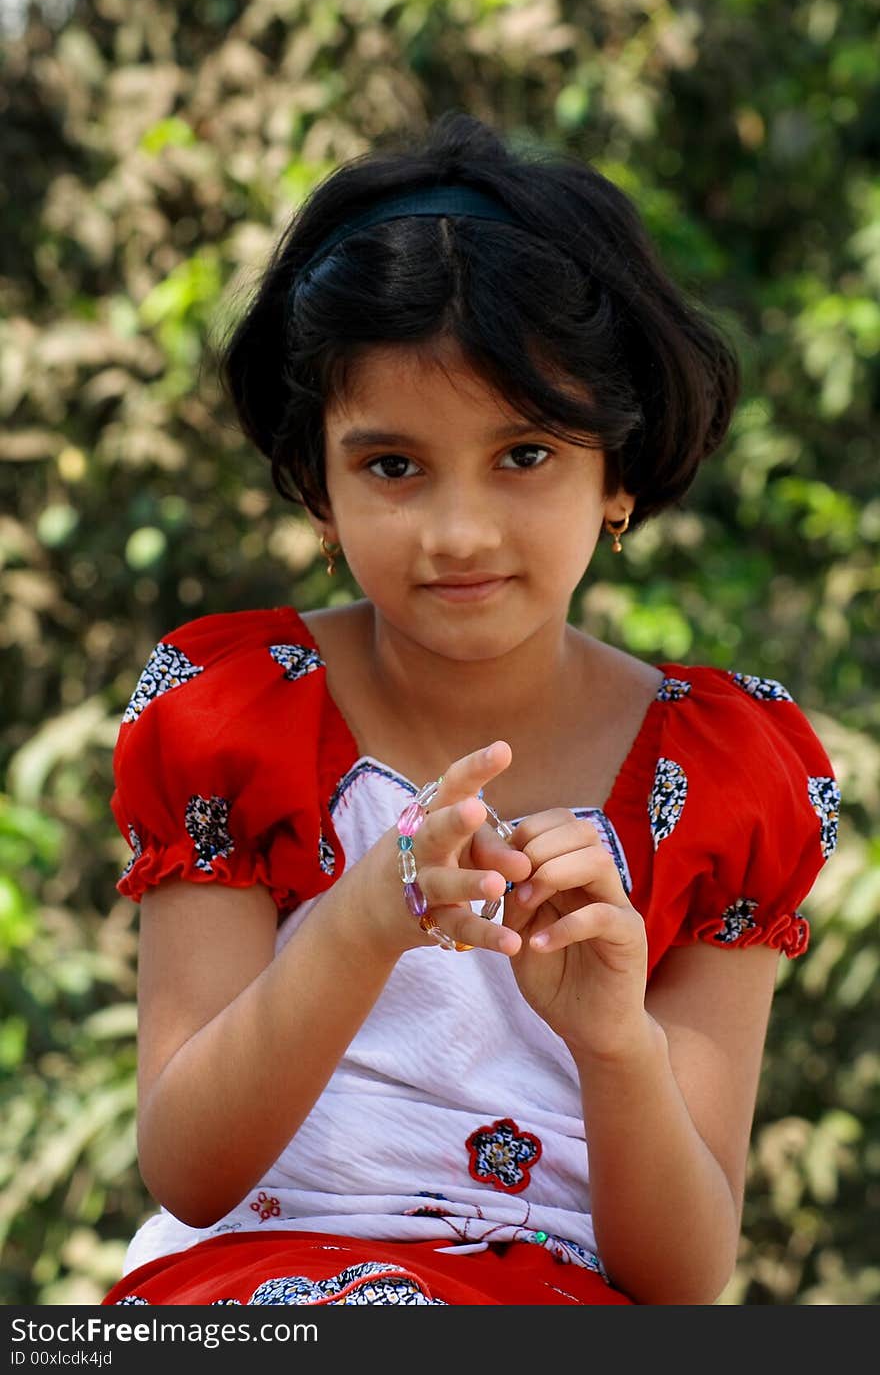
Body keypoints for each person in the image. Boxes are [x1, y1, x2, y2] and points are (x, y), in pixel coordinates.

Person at [102, 112, 841, 1307]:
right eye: (393, 466)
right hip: (252, 1289)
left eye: (526, 455)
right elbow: (188, 1168)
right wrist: (361, 919)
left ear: (621, 472)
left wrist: (613, 1041)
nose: (458, 532)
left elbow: (685, 1277)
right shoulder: (234, 715)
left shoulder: (721, 777)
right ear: (318, 489)